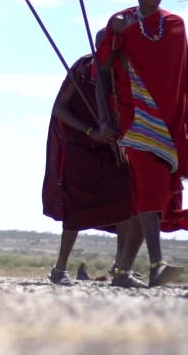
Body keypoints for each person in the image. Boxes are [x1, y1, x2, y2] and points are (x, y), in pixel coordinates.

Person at [96, 0, 188, 287]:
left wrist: (183, 121)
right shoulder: (119, 24)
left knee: (148, 195)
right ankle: (156, 263)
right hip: (136, 119)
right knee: (151, 186)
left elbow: (182, 79)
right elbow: (102, 78)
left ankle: (121, 272)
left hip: (168, 124)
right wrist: (104, 118)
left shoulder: (174, 25)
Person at [42, 29, 143, 287]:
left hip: (113, 150)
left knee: (127, 203)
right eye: (106, 44)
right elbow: (59, 109)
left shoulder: (124, 71)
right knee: (75, 210)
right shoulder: (83, 69)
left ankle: (122, 269)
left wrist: (119, 137)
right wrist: (91, 131)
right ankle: (60, 268)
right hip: (82, 149)